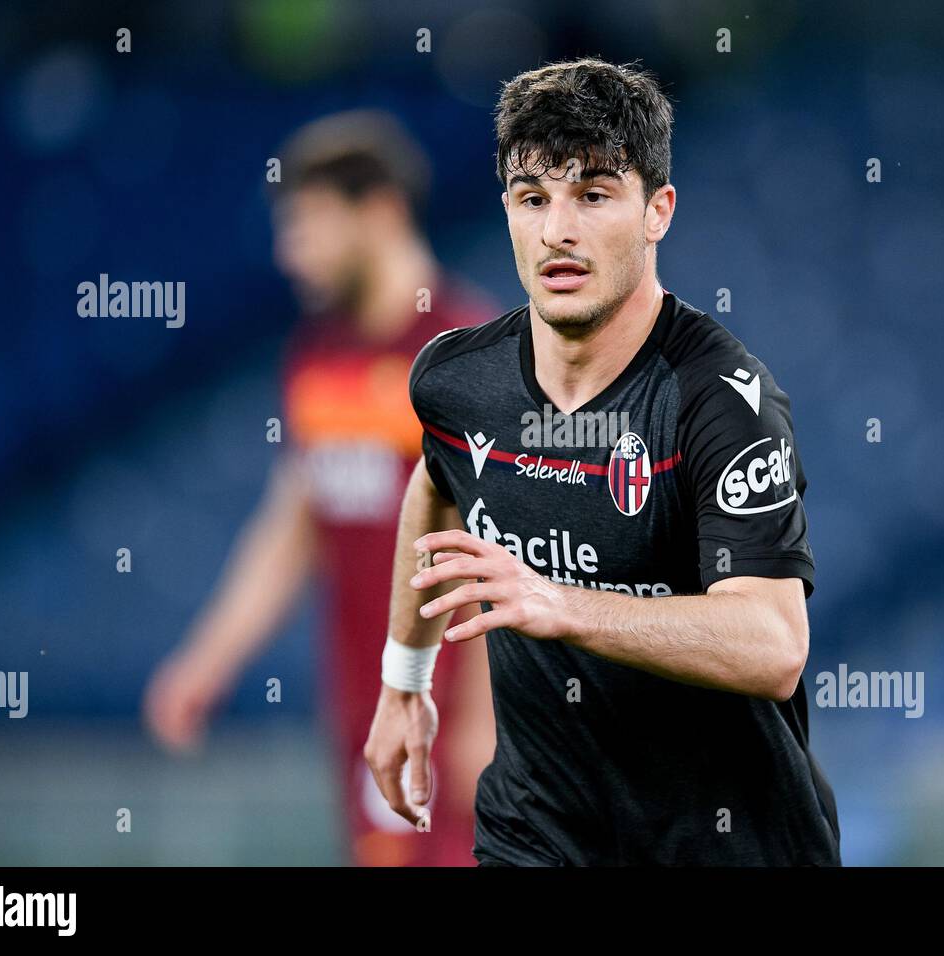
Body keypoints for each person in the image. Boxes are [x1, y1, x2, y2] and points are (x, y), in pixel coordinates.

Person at [363, 58, 841, 865]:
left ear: (658, 210)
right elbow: (437, 482)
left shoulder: (719, 400)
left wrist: (561, 604)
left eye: (593, 194)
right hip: (538, 832)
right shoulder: (456, 380)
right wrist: (405, 678)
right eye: (533, 198)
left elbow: (772, 644)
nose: (558, 231)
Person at [143, 110, 497, 866]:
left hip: (462, 730)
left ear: (380, 213)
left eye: (306, 225)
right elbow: (295, 523)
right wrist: (206, 663)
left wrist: (492, 718)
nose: (288, 253)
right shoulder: (316, 359)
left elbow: (523, 541)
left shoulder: (470, 354)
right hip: (367, 718)